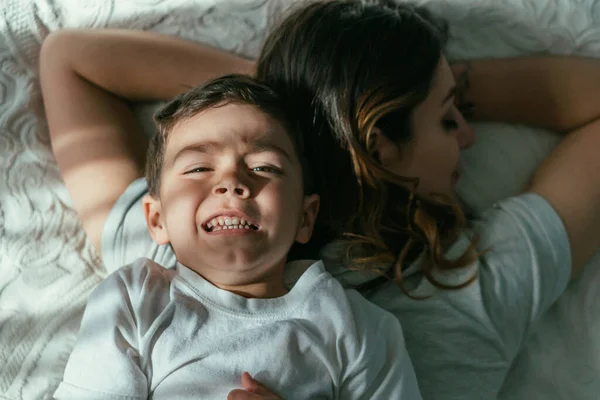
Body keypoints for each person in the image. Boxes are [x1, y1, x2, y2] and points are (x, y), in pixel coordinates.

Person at [40, 1, 600, 399]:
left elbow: (71, 59)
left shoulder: (181, 245)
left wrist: (296, 94)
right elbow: (70, 57)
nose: (468, 135)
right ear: (380, 145)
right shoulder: (478, 282)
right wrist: (287, 102)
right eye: (448, 116)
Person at [51, 74, 423, 400]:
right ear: (157, 218)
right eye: (199, 167)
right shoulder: (136, 300)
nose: (232, 182)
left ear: (305, 218)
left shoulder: (357, 328)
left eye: (264, 167)